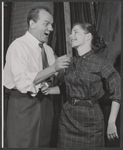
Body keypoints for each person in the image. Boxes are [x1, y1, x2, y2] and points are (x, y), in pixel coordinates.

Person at [41, 22, 121, 148]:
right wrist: (48, 90)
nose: (71, 36)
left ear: (88, 36)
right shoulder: (70, 62)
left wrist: (111, 121)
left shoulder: (100, 62)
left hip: (91, 121)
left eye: (75, 32)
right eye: (71, 32)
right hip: (68, 120)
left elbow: (117, 89)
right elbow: (65, 87)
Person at [4, 6, 70, 148]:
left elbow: (58, 75)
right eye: (46, 24)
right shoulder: (18, 46)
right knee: (23, 144)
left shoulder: (47, 49)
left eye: (51, 25)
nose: (51, 29)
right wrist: (53, 68)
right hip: (24, 103)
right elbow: (22, 82)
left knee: (43, 142)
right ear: (32, 24)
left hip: (45, 102)